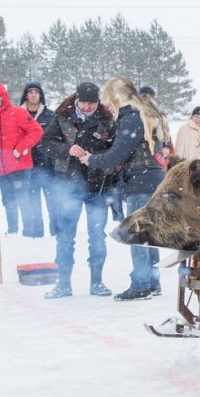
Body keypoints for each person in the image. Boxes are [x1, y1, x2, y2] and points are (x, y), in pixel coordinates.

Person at [80, 77, 168, 300]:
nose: (108, 107)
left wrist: (92, 159)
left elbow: (119, 153)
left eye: (109, 101)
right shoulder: (148, 112)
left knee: (136, 234)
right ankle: (152, 282)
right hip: (154, 178)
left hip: (140, 180)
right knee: (148, 233)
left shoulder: (131, 117)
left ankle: (141, 284)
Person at [42, 82, 117, 299]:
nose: (86, 107)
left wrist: (98, 162)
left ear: (97, 102)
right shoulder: (62, 117)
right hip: (68, 186)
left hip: (97, 188)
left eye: (91, 103)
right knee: (65, 236)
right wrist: (68, 149)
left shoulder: (107, 121)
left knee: (97, 237)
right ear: (77, 100)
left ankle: (97, 283)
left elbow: (116, 152)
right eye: (83, 102)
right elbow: (45, 144)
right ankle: (63, 284)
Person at [0, 82, 43, 235]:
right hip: (3, 169)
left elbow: (36, 131)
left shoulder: (18, 112)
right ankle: (12, 231)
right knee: (8, 202)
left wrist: (19, 150)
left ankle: (28, 233)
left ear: (3, 97)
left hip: (20, 166)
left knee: (23, 201)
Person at [20, 82, 56, 237]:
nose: (33, 94)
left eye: (36, 92)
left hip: (48, 165)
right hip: (27, 166)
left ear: (40, 95)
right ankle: (36, 234)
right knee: (32, 203)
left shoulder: (50, 115)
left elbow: (57, 138)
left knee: (53, 202)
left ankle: (56, 232)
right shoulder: (18, 114)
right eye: (30, 92)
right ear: (26, 95)